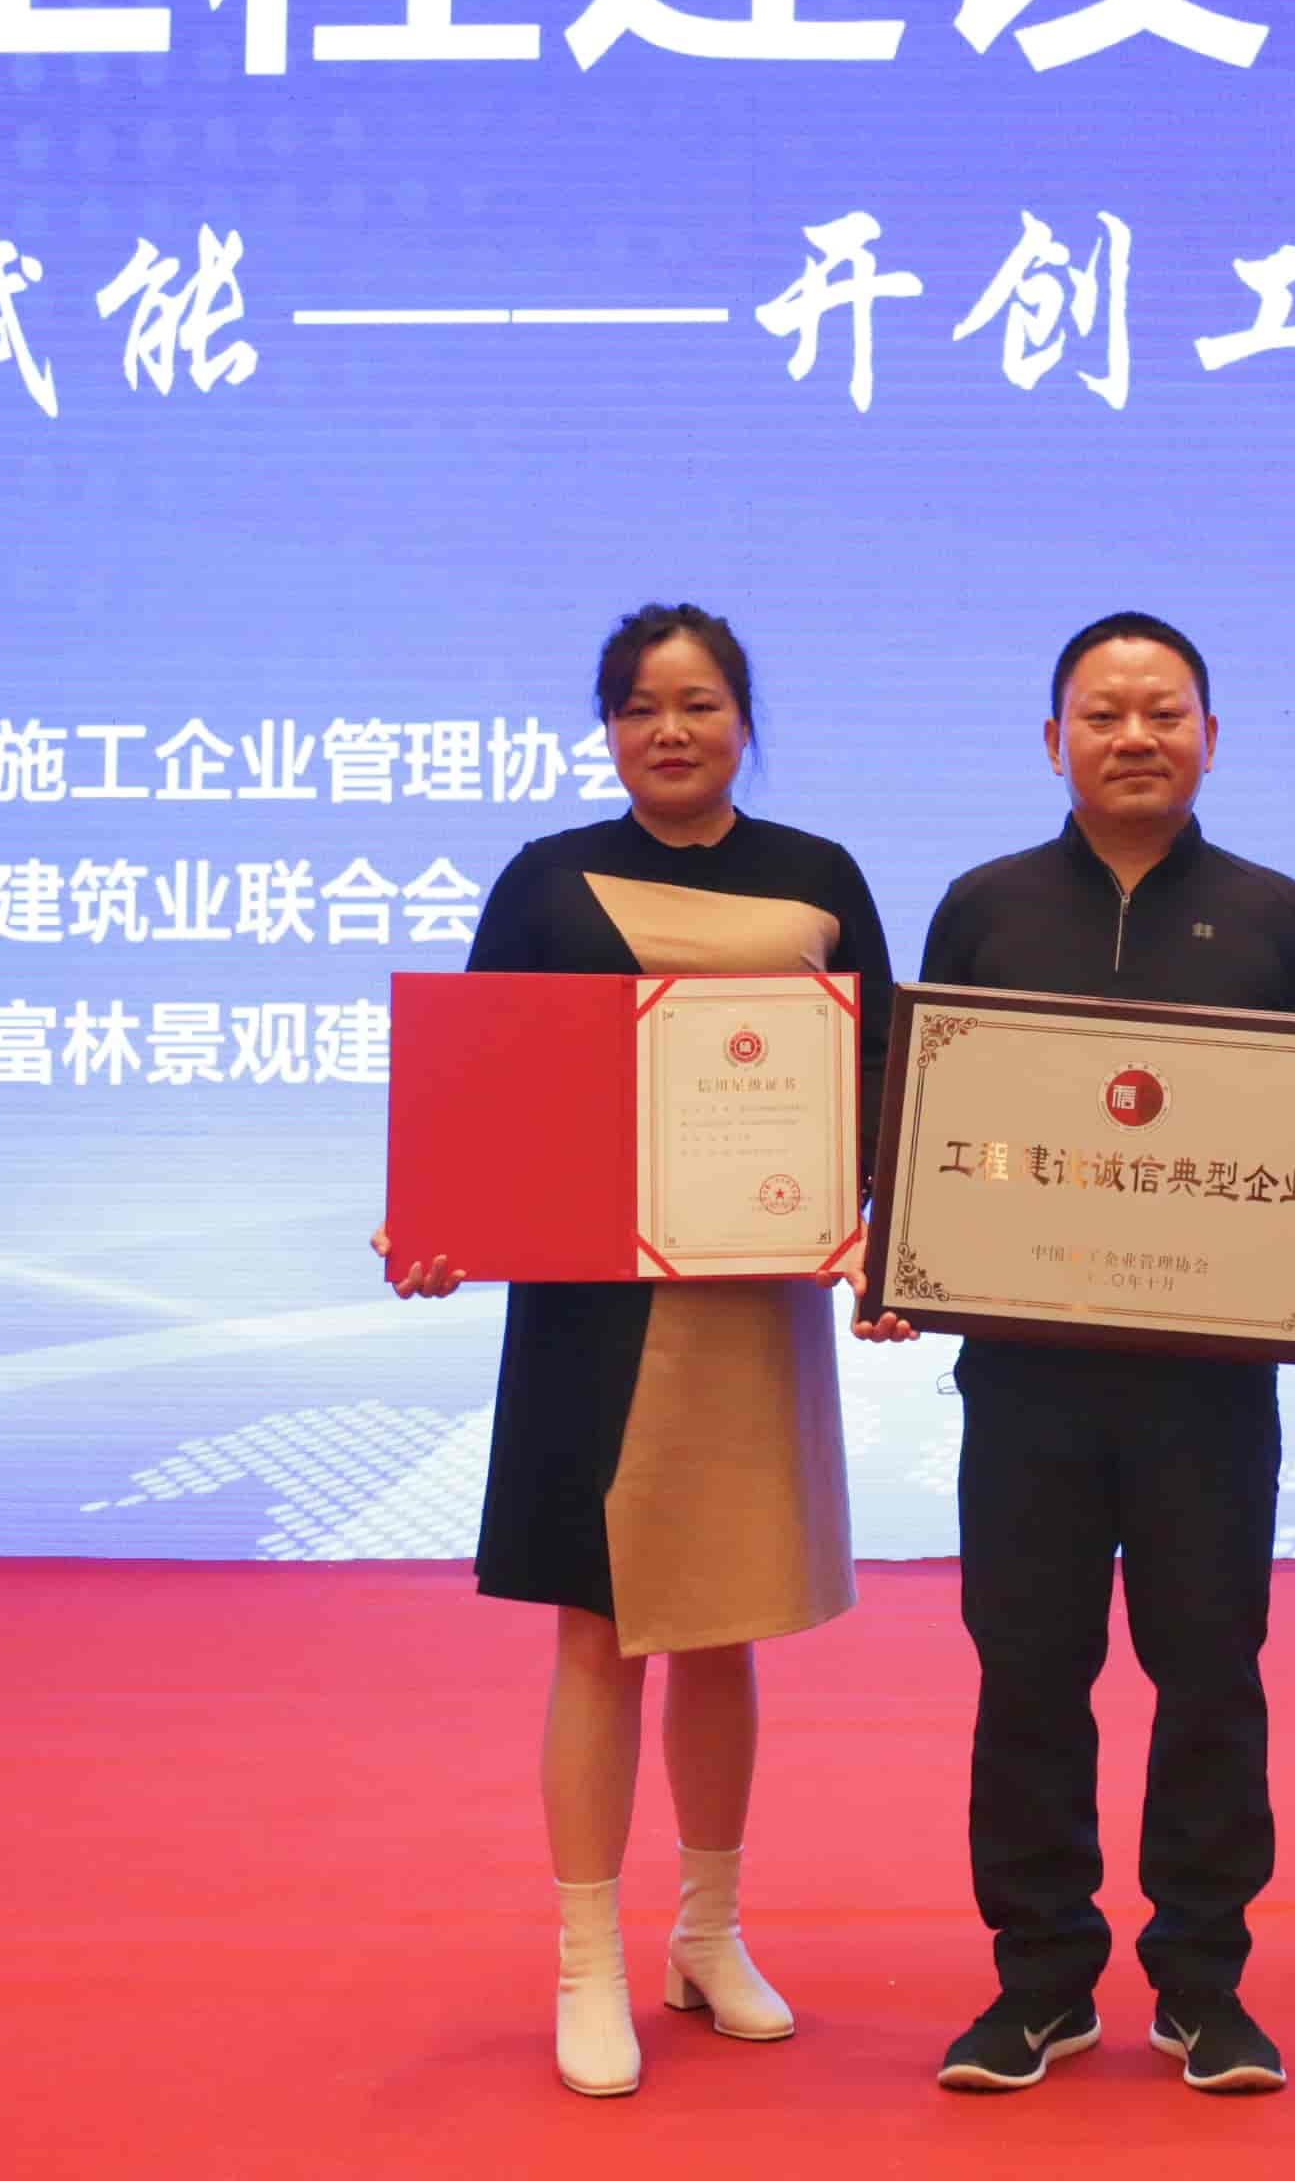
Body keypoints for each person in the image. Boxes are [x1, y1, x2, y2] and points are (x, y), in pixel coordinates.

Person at [860, 613, 1295, 2098]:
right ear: (1054, 742)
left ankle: (1204, 1985)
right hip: (1024, 1383)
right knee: (1028, 1672)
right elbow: (933, 1115)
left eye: (1165, 712)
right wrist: (902, 1255)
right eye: (1103, 714)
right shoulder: (985, 906)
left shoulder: (1277, 914)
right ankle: (1038, 1982)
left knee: (1209, 1671)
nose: (1135, 737)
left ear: (1212, 737)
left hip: (1206, 1391)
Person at [374, 602, 893, 2101]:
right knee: (597, 1634)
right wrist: (434, 1220)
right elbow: (477, 1084)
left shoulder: (819, 877)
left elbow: (884, 1076)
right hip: (591, 1313)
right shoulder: (545, 881)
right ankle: (586, 1958)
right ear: (607, 728)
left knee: (727, 1620)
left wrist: (885, 1233)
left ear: (744, 719)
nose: (670, 730)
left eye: (700, 702)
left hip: (750, 1300)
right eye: (639, 706)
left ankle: (708, 1934)